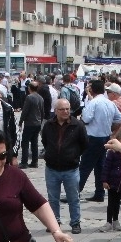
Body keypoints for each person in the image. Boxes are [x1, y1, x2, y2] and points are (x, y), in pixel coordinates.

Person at [41, 98, 88, 232]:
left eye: (68, 109)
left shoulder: (78, 125)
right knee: (53, 198)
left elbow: (84, 144)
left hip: (71, 168)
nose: (66, 111)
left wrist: (73, 155)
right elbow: (45, 141)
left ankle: (75, 223)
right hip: (52, 168)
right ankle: (54, 222)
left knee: (73, 198)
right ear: (56, 111)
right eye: (62, 109)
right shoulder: (49, 125)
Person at [78, 79, 121, 203]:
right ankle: (99, 192)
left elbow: (86, 119)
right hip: (105, 137)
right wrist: (111, 129)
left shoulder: (94, 102)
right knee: (100, 166)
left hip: (93, 137)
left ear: (92, 90)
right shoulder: (110, 103)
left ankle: (76, 191)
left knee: (85, 166)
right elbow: (119, 118)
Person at [18, 82, 44, 169]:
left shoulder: (29, 98)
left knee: (25, 143)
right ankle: (34, 161)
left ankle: (24, 162)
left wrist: (21, 121)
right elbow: (42, 111)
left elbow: (25, 111)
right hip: (37, 123)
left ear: (29, 88)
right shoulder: (40, 98)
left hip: (30, 123)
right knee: (34, 143)